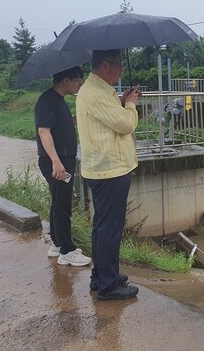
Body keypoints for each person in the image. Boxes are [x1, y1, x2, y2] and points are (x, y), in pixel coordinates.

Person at [76, 50, 140, 301]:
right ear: (105, 65)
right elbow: (125, 125)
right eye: (118, 66)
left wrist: (122, 102)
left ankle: (101, 276)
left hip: (104, 168)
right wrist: (131, 104)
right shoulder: (95, 93)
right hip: (109, 170)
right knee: (109, 228)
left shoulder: (97, 91)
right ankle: (109, 285)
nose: (121, 71)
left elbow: (111, 119)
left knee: (102, 227)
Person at [35, 66, 91, 267]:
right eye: (77, 80)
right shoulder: (48, 100)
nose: (79, 84)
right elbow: (44, 132)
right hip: (56, 162)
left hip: (61, 160)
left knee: (57, 202)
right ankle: (67, 251)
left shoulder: (58, 101)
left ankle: (57, 244)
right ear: (66, 80)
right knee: (63, 205)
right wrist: (56, 162)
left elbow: (66, 123)